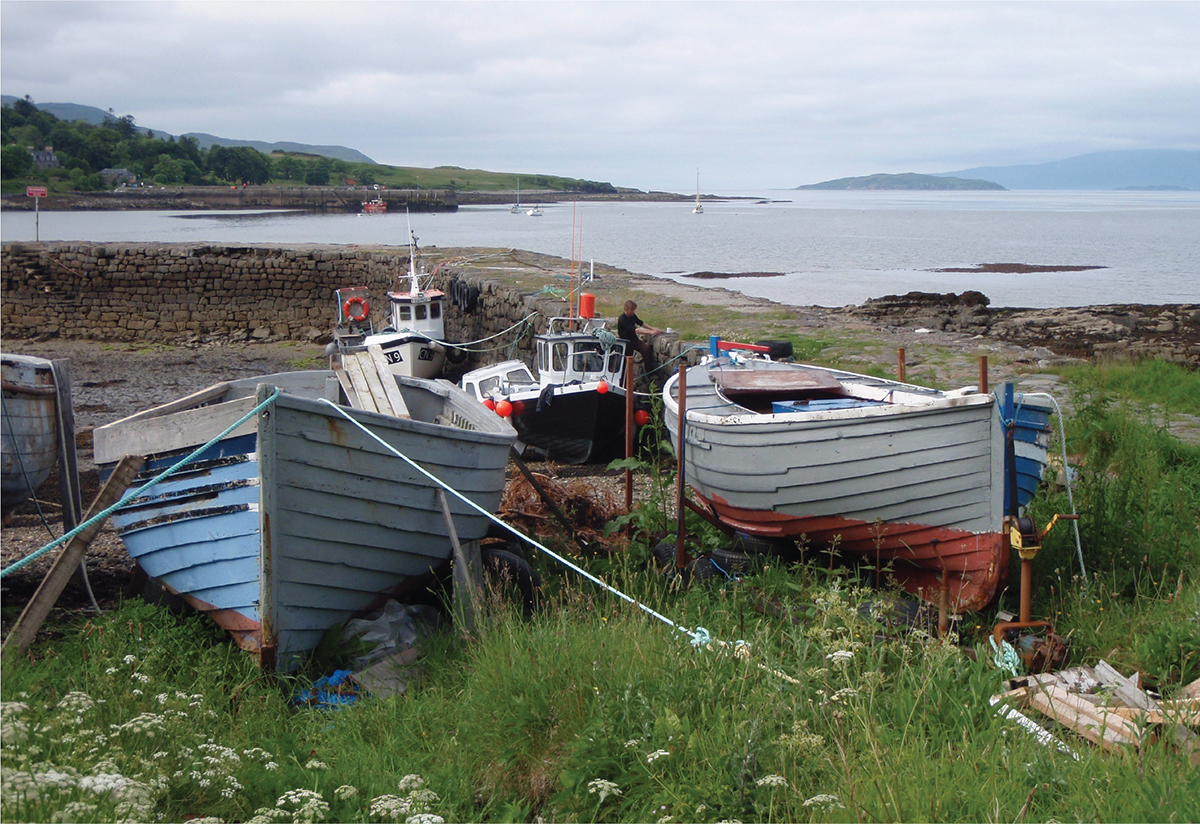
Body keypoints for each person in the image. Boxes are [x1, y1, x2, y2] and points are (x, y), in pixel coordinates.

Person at [617, 299, 663, 376]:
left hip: (634, 340)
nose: (633, 312)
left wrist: (653, 329)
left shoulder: (632, 316)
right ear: (626, 309)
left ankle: (649, 372)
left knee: (646, 350)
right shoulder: (622, 319)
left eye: (634, 310)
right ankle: (624, 379)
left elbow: (641, 323)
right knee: (627, 361)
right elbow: (636, 330)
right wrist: (651, 332)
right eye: (632, 310)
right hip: (626, 343)